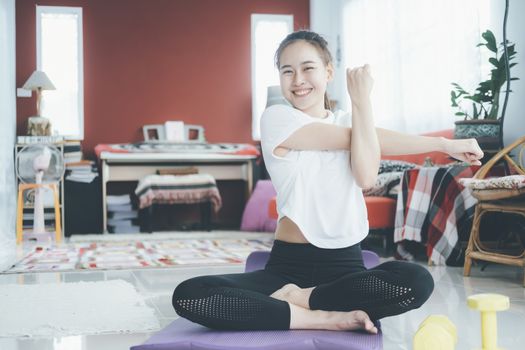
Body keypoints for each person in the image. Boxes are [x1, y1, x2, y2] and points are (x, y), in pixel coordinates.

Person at [172, 30, 483, 333]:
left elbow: (365, 176)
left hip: (345, 269)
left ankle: (303, 300)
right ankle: (319, 318)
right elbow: (357, 138)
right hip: (286, 269)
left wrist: (446, 145)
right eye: (287, 71)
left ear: (329, 71)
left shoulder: (351, 121)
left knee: (418, 281)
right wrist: (364, 106)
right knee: (191, 293)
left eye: (308, 68)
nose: (297, 80)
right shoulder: (276, 118)